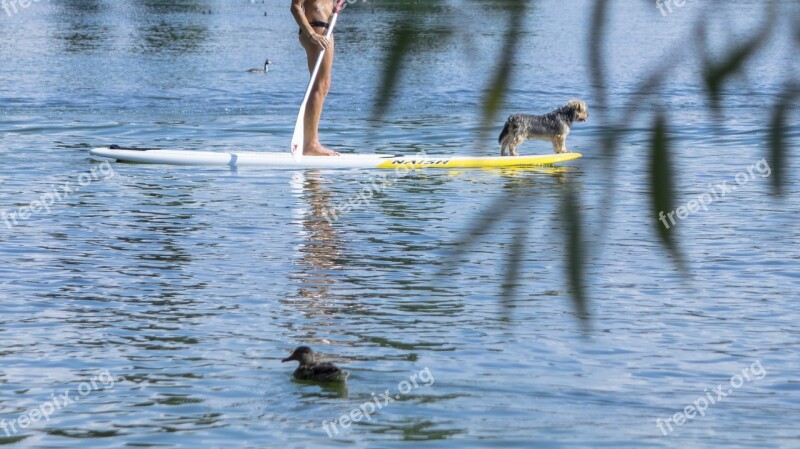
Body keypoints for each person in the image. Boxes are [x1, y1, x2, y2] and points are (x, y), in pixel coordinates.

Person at [291, 0, 340, 156]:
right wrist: (311, 35)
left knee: (323, 86)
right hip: (315, 30)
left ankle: (310, 142)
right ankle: (311, 144)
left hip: (324, 29)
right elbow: (295, 7)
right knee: (320, 85)